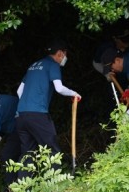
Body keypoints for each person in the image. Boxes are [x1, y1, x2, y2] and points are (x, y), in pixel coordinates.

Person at [15, 38, 81, 180]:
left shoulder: (33, 65)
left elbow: (19, 91)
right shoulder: (52, 65)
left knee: (27, 152)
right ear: (59, 53)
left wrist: (26, 106)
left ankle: (22, 191)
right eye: (65, 54)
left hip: (21, 115)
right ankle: (55, 184)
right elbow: (59, 88)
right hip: (37, 114)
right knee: (52, 148)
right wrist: (74, 94)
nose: (65, 57)